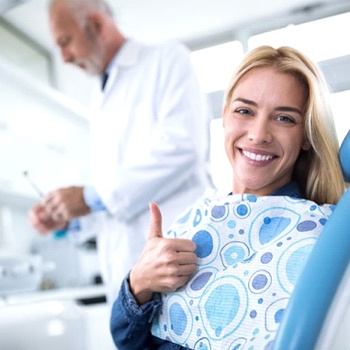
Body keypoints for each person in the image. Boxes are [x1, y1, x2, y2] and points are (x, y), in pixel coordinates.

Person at [110, 45, 346, 350]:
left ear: (305, 136)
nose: (259, 134)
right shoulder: (194, 220)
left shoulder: (321, 237)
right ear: (225, 117)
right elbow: (129, 342)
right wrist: (138, 284)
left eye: (284, 118)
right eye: (245, 111)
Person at [28, 0, 212, 303]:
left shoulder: (166, 60)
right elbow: (114, 196)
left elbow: (183, 148)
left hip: (178, 267)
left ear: (97, 26)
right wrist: (69, 215)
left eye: (65, 42)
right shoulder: (99, 98)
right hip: (128, 281)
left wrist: (86, 198)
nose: (63, 58)